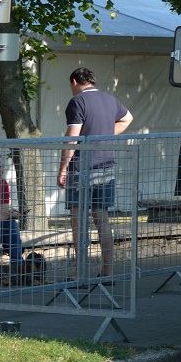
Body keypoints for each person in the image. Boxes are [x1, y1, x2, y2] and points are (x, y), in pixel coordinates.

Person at [57, 67, 133, 279]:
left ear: (74, 81)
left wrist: (63, 168)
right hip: (106, 166)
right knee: (102, 218)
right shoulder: (110, 99)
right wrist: (107, 133)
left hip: (82, 167)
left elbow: (72, 139)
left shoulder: (77, 102)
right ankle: (107, 270)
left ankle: (79, 271)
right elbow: (128, 118)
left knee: (78, 219)